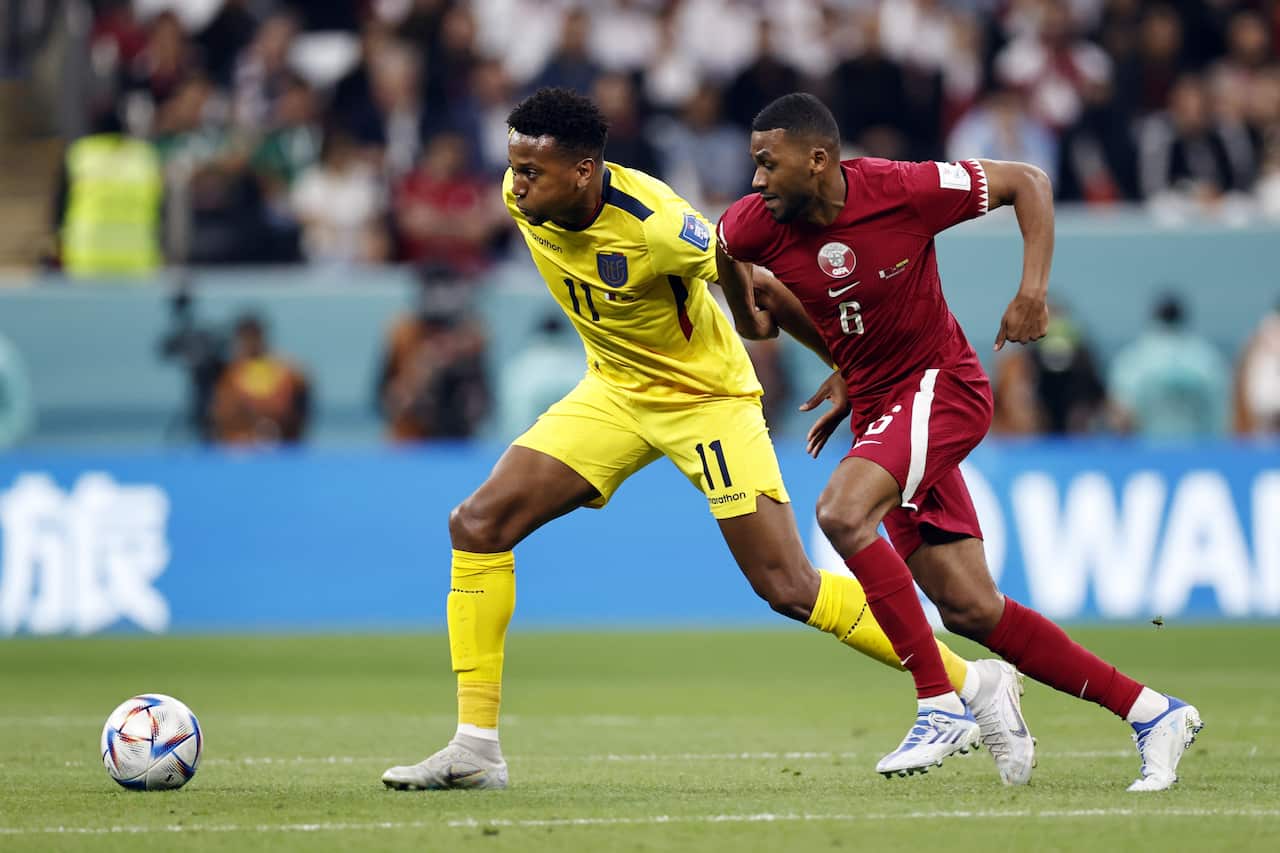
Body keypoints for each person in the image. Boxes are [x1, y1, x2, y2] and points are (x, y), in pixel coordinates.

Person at [381, 87, 1031, 793]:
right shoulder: (520, 193)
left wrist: (846, 366)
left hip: (707, 401)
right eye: (514, 165)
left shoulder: (660, 224)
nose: (514, 183)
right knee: (476, 524)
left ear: (584, 170)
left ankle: (974, 682)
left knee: (786, 584)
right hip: (615, 390)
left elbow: (767, 288)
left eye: (533, 170)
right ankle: (476, 746)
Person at [715, 92, 1202, 791]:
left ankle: (940, 701)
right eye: (753, 165)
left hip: (943, 387)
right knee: (971, 607)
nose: (756, 180)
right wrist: (825, 353)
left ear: (818, 159)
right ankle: (1155, 713)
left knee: (841, 513)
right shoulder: (751, 226)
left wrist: (1033, 289)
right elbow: (750, 302)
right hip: (884, 406)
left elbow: (1027, 182)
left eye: (768, 163)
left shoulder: (902, 189)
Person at [1109, 294, 1230, 439]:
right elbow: (1224, 409)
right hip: (1201, 452)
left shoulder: (1134, 358)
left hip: (1145, 453)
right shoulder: (1206, 356)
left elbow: (1121, 415)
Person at [209, 313, 310, 446]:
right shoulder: (230, 374)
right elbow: (222, 414)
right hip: (240, 446)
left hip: (281, 445)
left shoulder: (288, 371)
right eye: (246, 338)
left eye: (254, 336)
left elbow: (293, 409)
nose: (251, 342)